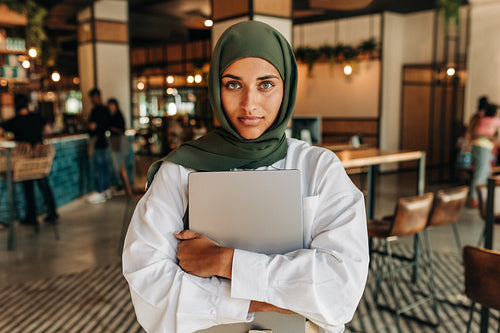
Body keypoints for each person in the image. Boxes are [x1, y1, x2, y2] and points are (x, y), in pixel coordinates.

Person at [122, 21, 369, 333]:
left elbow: (341, 289)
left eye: (266, 85)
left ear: (287, 87)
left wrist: (225, 262)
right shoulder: (180, 169)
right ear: (216, 87)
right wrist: (284, 297)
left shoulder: (319, 168)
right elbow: (149, 284)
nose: (249, 103)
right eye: (233, 84)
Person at [0, 94, 58, 229]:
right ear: (27, 104)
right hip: (40, 160)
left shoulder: (14, 121)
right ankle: (52, 213)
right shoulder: (37, 117)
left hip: (25, 161)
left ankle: (31, 217)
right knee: (44, 185)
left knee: (28, 187)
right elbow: (49, 130)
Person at [469, 103, 500, 207]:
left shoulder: (481, 119)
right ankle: (474, 199)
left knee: (485, 171)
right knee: (481, 172)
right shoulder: (494, 120)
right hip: (482, 147)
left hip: (482, 147)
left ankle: (480, 198)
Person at [86, 88, 111, 204]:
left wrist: (83, 121)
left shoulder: (96, 110)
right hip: (104, 142)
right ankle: (106, 190)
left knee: (99, 169)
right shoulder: (106, 109)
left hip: (97, 142)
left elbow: (92, 127)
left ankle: (100, 191)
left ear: (95, 97)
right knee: (104, 168)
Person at [107, 98, 127, 191]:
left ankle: (124, 184)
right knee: (115, 164)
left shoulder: (119, 116)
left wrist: (112, 128)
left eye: (112, 105)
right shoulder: (109, 116)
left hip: (120, 140)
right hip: (113, 141)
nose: (111, 107)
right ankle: (120, 184)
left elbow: (122, 130)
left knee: (121, 163)